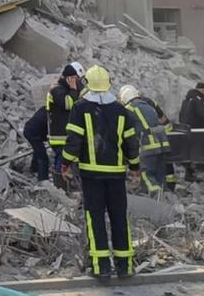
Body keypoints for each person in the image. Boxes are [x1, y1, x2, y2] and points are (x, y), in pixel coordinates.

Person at [61, 65, 140, 280]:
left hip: (91, 175)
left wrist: (65, 163)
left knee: (94, 218)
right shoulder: (122, 110)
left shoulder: (79, 109)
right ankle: (125, 266)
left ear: (87, 84)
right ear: (108, 84)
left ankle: (101, 266)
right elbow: (131, 143)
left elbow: (73, 141)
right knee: (119, 218)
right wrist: (134, 167)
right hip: (116, 174)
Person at [118, 85, 169, 197]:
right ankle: (163, 197)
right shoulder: (148, 105)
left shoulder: (129, 109)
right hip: (162, 144)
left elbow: (128, 131)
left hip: (148, 146)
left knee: (146, 173)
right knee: (159, 173)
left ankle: (156, 194)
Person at [46, 62, 84, 175]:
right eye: (76, 79)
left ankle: (69, 185)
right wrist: (73, 89)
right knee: (62, 161)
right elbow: (69, 104)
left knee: (70, 161)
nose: (78, 82)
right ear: (70, 78)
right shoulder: (56, 90)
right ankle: (60, 187)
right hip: (59, 136)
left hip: (66, 135)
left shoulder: (64, 88)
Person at [177, 81, 204, 181]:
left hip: (187, 129)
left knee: (190, 151)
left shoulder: (186, 99)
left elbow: (181, 114)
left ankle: (195, 168)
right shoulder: (198, 100)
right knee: (198, 149)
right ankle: (194, 171)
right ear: (202, 90)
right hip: (197, 129)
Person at [22, 107, 50, 181]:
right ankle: (43, 179)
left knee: (38, 150)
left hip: (29, 129)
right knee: (43, 157)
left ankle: (34, 168)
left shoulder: (44, 109)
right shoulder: (51, 115)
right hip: (33, 133)